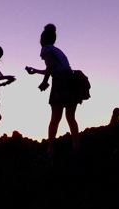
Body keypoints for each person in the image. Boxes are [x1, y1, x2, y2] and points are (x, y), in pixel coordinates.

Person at [25, 23, 81, 154]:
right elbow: (54, 68)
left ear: (42, 39)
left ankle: (51, 149)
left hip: (60, 83)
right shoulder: (58, 51)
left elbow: (50, 66)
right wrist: (36, 71)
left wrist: (44, 82)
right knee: (71, 117)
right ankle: (76, 146)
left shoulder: (45, 49)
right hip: (71, 81)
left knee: (55, 117)